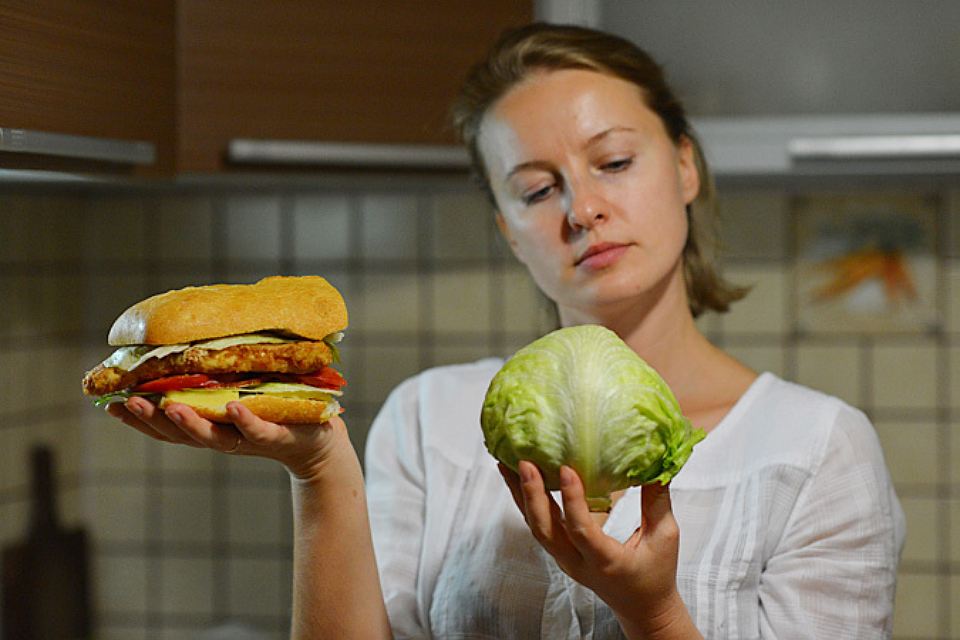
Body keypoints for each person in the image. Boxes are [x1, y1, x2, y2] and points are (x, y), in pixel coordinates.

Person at [107, 23, 905, 640]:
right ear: (507, 230)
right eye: (536, 190)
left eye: (614, 163)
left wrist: (654, 613)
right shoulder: (430, 418)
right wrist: (318, 469)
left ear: (685, 166)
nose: (582, 210)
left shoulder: (815, 450)